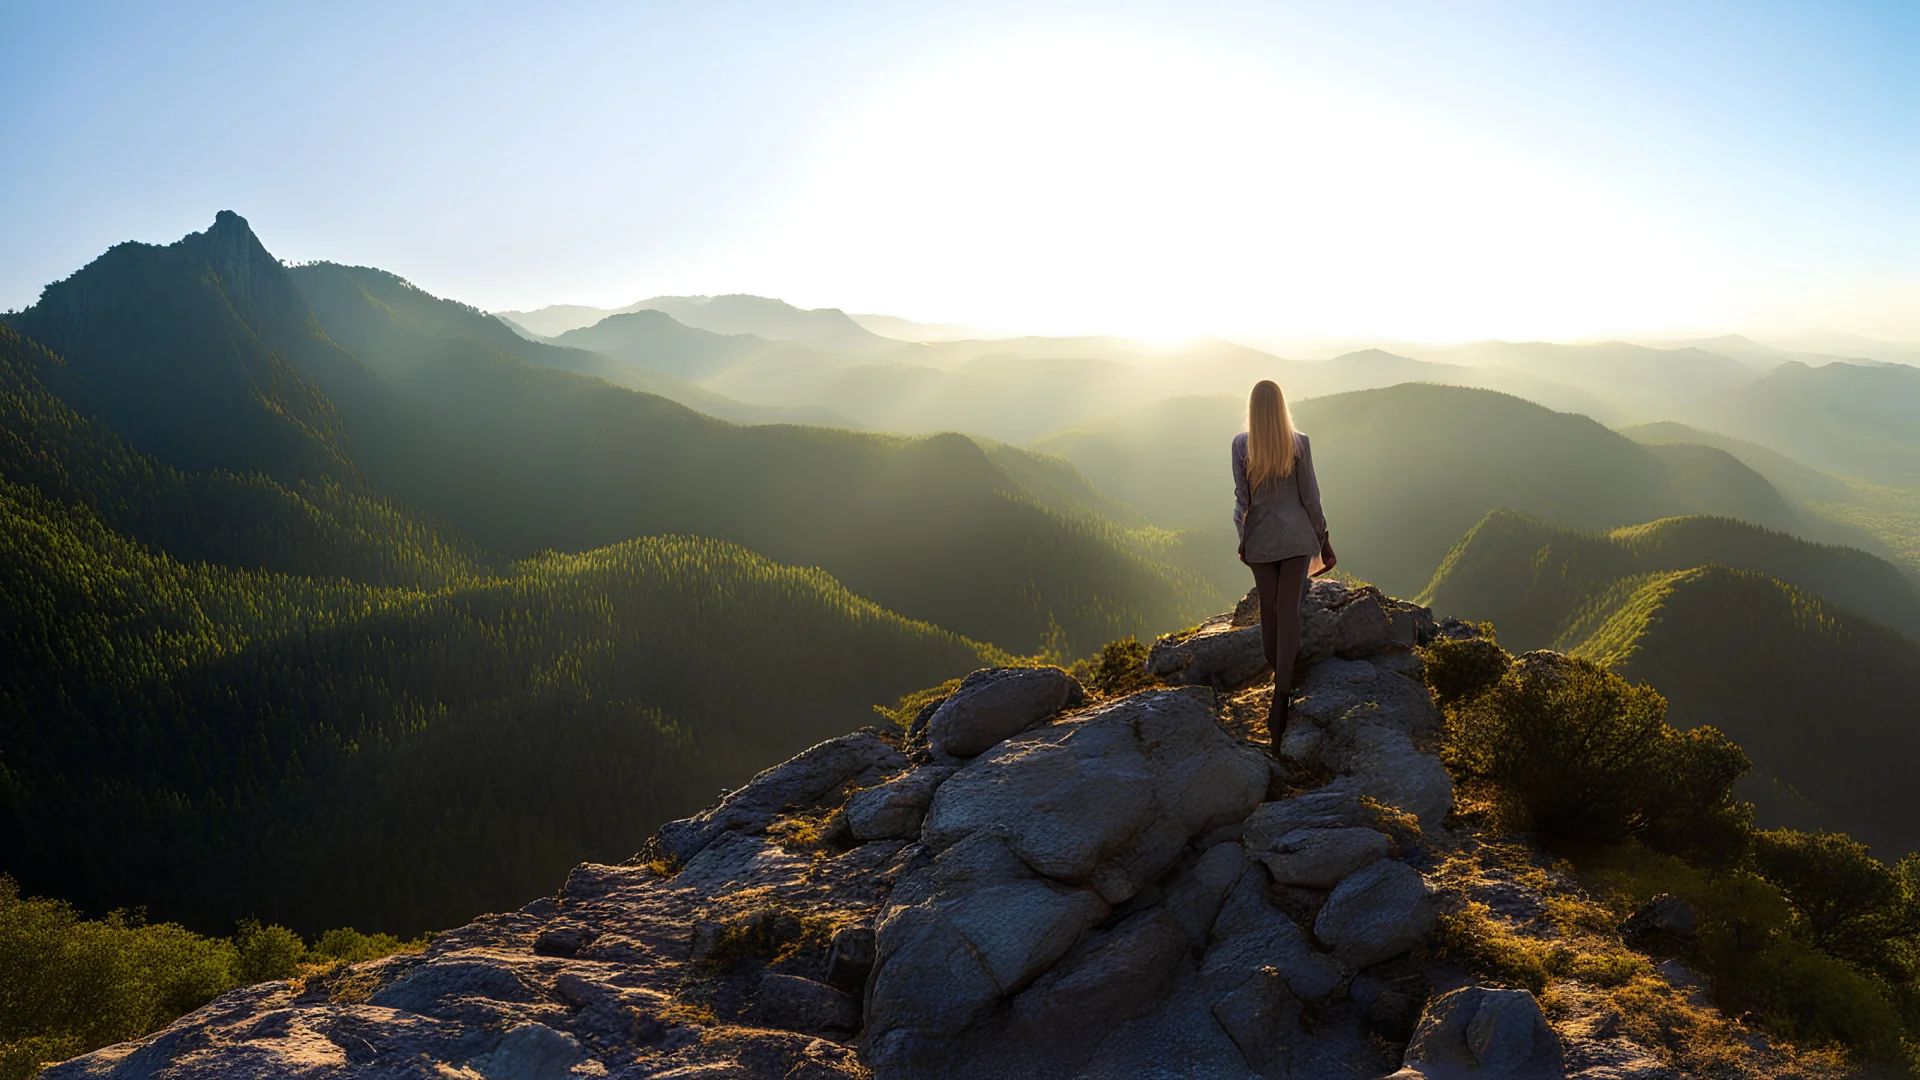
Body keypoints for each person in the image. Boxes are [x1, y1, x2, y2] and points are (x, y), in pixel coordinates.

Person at [1232, 379, 1336, 748]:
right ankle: (1282, 694)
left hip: (1260, 539)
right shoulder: (1299, 443)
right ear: (1281, 405)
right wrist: (1324, 540)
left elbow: (1242, 502)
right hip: (1296, 537)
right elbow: (1311, 497)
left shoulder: (1242, 445)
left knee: (1270, 613)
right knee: (1288, 609)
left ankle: (1280, 676)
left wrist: (1242, 541)